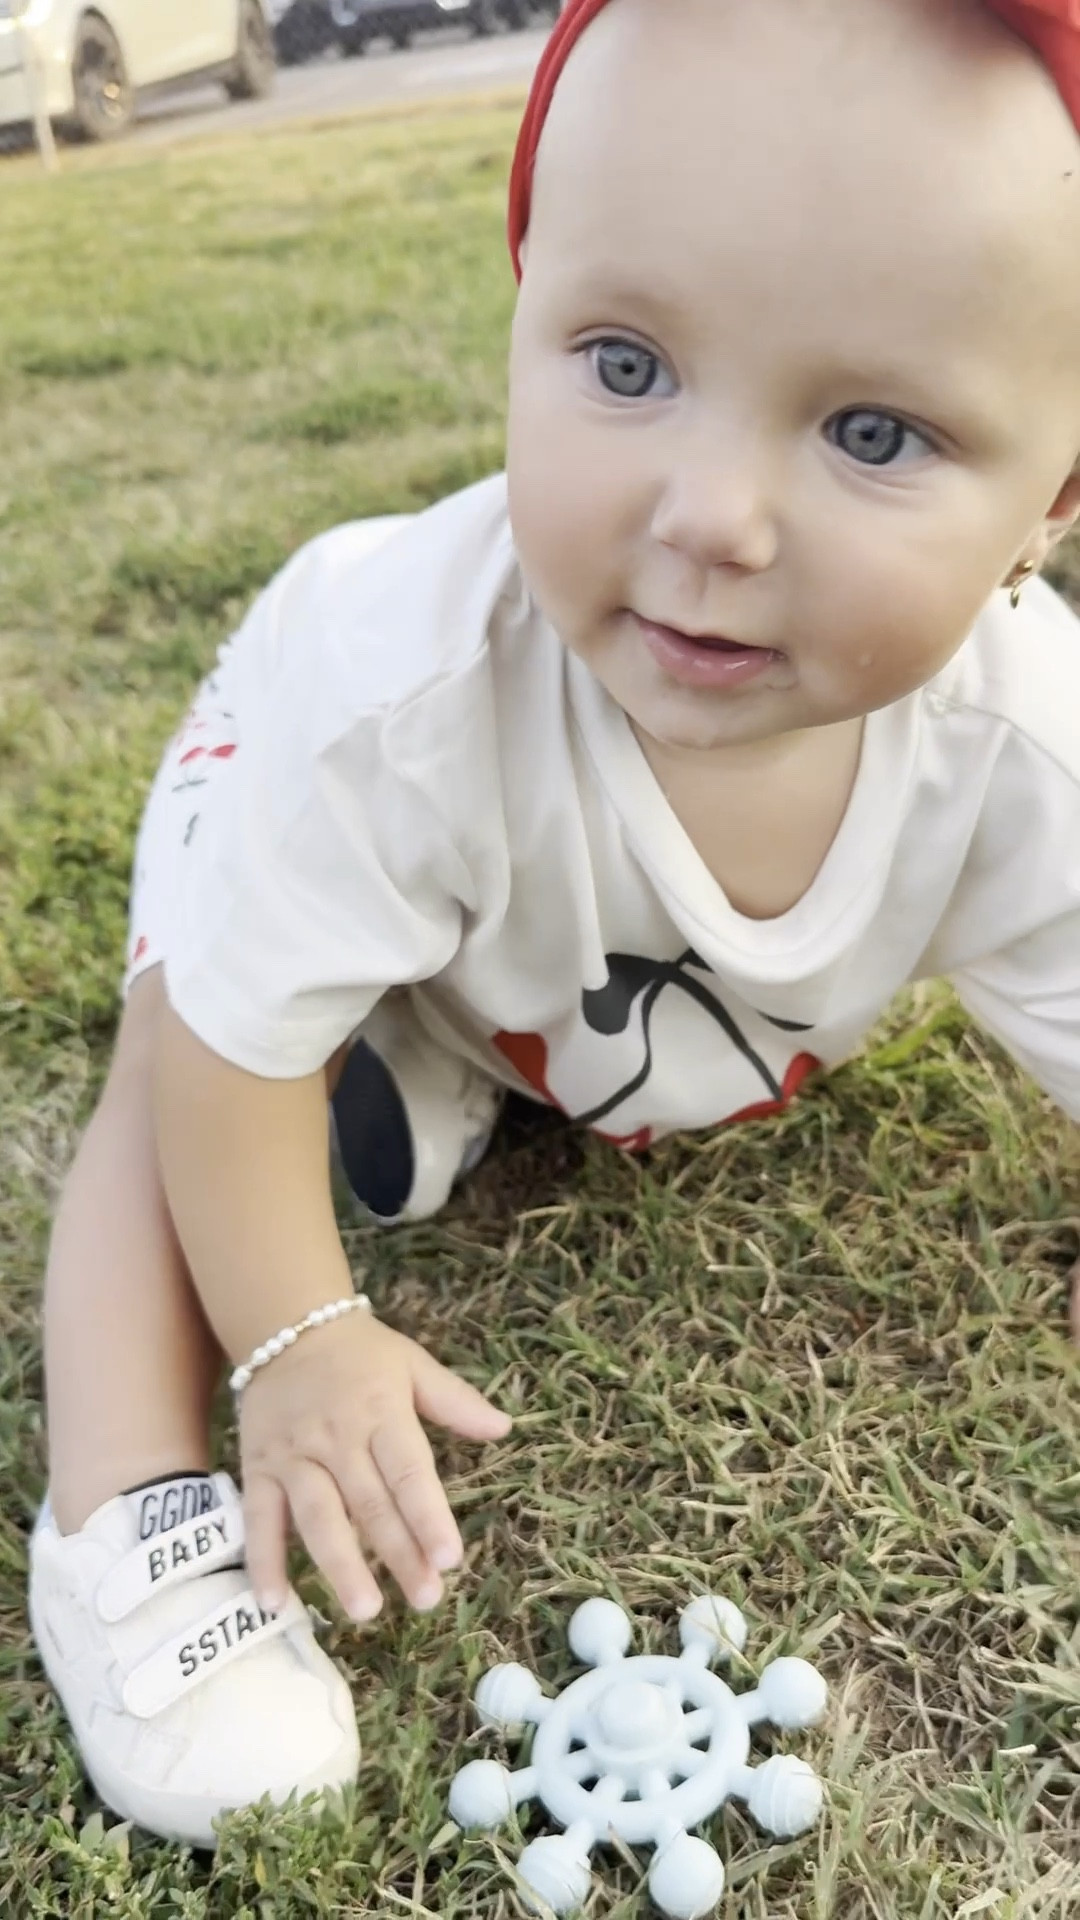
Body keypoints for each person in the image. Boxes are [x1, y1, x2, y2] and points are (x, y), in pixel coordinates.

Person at [28, 0, 1080, 1851]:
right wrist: (295, 1341)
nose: (713, 514)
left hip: (536, 961)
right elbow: (221, 1046)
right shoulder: (387, 692)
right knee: (201, 1030)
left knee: (502, 1001)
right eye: (622, 361)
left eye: (872, 428)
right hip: (296, 793)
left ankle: (430, 1066)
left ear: (1049, 507)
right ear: (520, 309)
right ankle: (124, 1519)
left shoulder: (1023, 762)